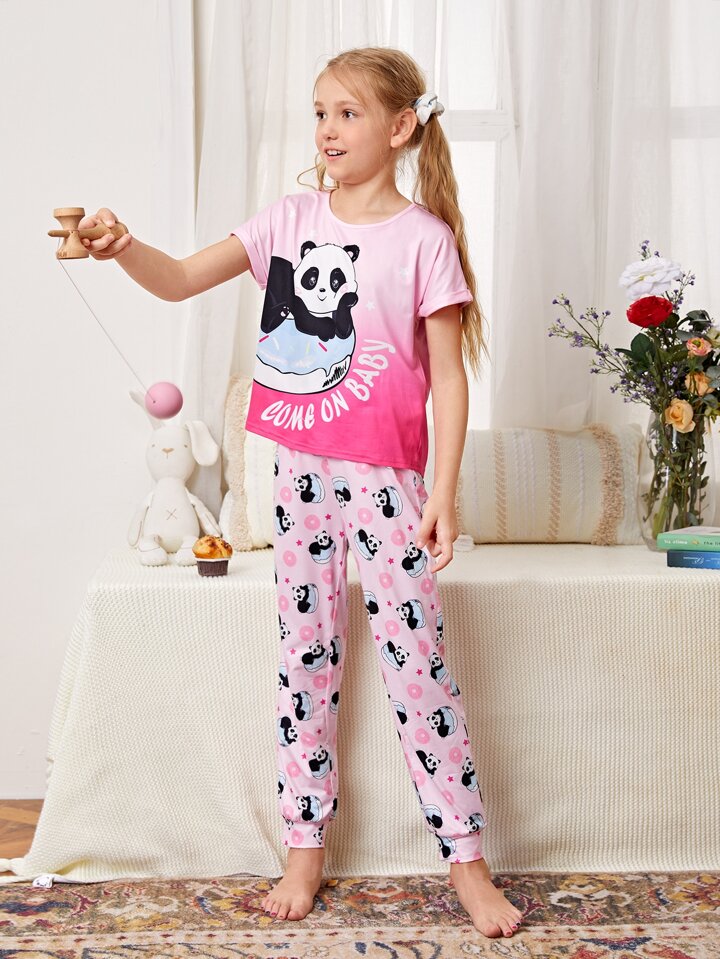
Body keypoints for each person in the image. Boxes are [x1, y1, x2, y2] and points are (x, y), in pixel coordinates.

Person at [79, 45, 523, 940]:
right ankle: (304, 843)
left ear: (400, 127)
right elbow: (180, 280)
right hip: (300, 473)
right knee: (304, 656)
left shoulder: (424, 240)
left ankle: (467, 859)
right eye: (320, 111)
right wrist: (123, 248)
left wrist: (444, 490)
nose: (327, 129)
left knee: (417, 662)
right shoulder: (287, 221)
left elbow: (449, 377)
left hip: (389, 478)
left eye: (348, 113)